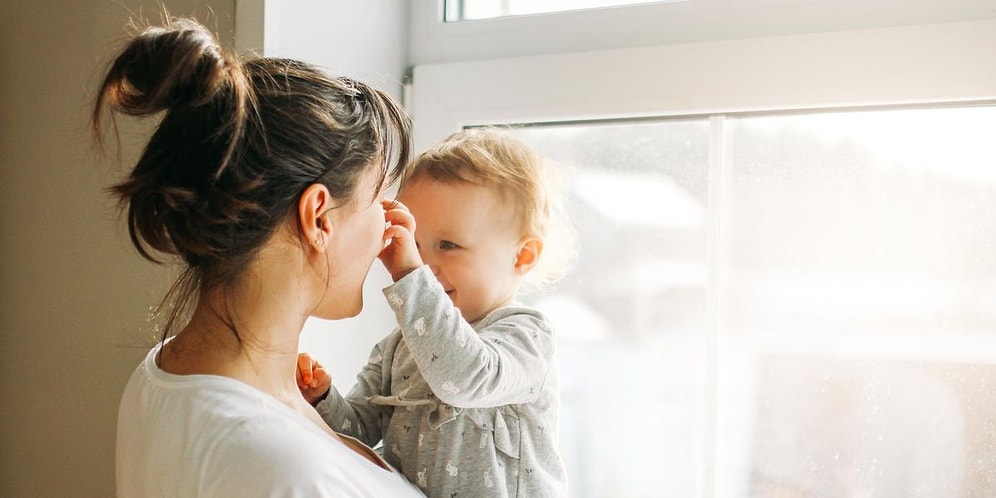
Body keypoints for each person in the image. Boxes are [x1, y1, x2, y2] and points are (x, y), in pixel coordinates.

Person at [94, 17, 425, 497]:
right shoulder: (279, 465)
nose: (392, 220)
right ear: (318, 217)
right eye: (377, 197)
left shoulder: (164, 376)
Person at [297, 129, 575, 497]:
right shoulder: (397, 347)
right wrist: (323, 398)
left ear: (521, 256)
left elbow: (464, 378)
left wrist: (409, 276)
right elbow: (358, 433)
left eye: (449, 245)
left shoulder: (527, 335)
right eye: (413, 243)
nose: (424, 263)